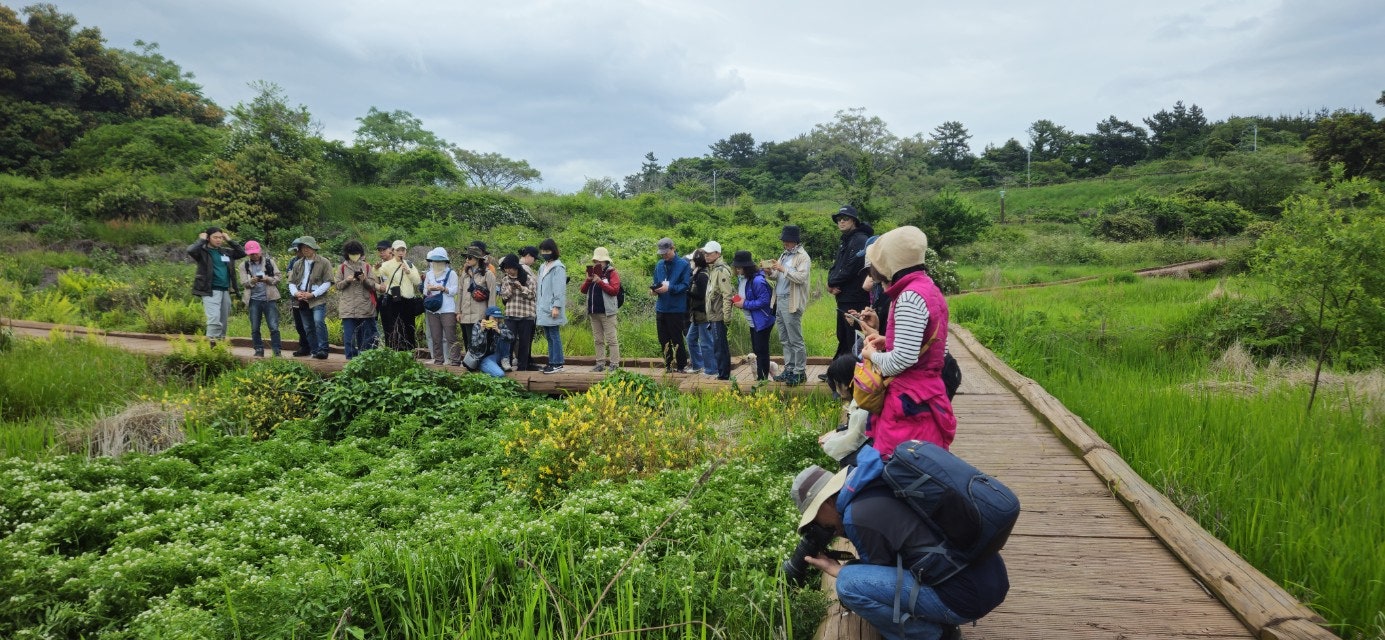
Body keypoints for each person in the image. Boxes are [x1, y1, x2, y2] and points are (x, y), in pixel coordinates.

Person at [791, 457, 1008, 640]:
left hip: (964, 598)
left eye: (815, 519)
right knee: (855, 575)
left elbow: (874, 577)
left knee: (848, 585)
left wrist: (837, 570)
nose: (818, 526)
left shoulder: (856, 515)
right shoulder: (873, 483)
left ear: (827, 502)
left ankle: (932, 635)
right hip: (989, 577)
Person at [860, 226, 956, 458]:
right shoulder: (927, 288)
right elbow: (930, 345)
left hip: (909, 400)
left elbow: (900, 360)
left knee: (899, 463)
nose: (874, 267)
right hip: (925, 394)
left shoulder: (909, 297)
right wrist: (888, 339)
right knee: (922, 462)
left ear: (891, 261)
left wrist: (870, 354)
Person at [827, 205, 875, 362]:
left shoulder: (860, 239)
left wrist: (833, 281)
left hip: (855, 297)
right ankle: (840, 368)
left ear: (854, 220)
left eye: (845, 218)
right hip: (843, 296)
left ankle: (853, 372)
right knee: (843, 334)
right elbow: (837, 265)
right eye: (839, 219)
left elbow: (851, 268)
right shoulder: (846, 240)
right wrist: (830, 282)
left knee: (853, 336)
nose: (841, 222)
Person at [767, 224, 812, 385]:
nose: (784, 243)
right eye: (784, 241)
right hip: (779, 299)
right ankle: (789, 369)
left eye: (787, 241)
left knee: (795, 338)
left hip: (791, 300)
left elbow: (801, 278)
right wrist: (770, 272)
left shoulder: (803, 257)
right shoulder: (784, 255)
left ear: (795, 241)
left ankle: (800, 372)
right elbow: (778, 276)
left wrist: (782, 268)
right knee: (784, 338)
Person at [187, 226, 246, 348]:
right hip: (210, 290)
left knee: (223, 319)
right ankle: (212, 344)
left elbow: (242, 252)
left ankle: (219, 343)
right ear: (208, 238)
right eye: (215, 237)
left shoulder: (225, 252)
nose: (219, 240)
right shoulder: (202, 252)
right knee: (214, 318)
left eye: (220, 237)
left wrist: (229, 240)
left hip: (225, 290)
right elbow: (191, 250)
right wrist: (201, 241)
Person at [287, 236, 333, 360]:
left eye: (308, 247)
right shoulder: (297, 263)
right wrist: (296, 293)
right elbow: (291, 282)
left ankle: (323, 349)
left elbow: (328, 282)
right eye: (303, 247)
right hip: (301, 297)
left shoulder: (324, 262)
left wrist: (313, 294)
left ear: (314, 248)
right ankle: (314, 350)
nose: (305, 250)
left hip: (317, 297)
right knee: (307, 326)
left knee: (318, 321)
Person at [731, 250, 774, 380]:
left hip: (763, 320)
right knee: (757, 349)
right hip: (753, 320)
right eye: (736, 267)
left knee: (761, 351)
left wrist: (744, 304)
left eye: (739, 267)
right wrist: (736, 300)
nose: (737, 270)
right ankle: (761, 378)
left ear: (747, 267)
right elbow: (746, 297)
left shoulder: (757, 281)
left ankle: (762, 379)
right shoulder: (743, 279)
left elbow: (764, 301)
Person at [652, 237, 692, 373]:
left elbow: (685, 285)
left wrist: (669, 288)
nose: (664, 255)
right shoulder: (659, 265)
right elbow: (656, 281)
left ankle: (681, 365)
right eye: (662, 253)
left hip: (676, 308)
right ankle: (668, 365)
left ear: (673, 249)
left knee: (676, 338)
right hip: (661, 307)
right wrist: (654, 290)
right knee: (662, 338)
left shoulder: (683, 265)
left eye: (666, 252)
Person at [236, 240, 282, 357]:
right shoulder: (243, 265)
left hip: (269, 298)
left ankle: (277, 351)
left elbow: (278, 277)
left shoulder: (269, 262)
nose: (254, 255)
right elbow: (244, 283)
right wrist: (253, 280)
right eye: (251, 253)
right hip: (253, 300)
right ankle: (258, 349)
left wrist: (267, 279)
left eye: (256, 253)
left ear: (260, 251)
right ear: (248, 254)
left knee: (274, 326)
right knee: (255, 327)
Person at [579, 246, 622, 372]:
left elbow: (614, 291)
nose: (597, 263)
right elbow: (583, 290)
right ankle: (600, 363)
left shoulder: (612, 273)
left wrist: (600, 282)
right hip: (594, 312)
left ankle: (614, 364)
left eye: (599, 261)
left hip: (607, 312)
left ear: (605, 261)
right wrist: (588, 280)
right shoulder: (593, 274)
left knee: (611, 340)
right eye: (595, 261)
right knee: (598, 340)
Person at [376, 240, 423, 353]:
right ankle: (394, 353)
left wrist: (408, 272)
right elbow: (378, 274)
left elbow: (417, 281)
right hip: (393, 300)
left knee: (408, 328)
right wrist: (376, 268)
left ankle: (409, 354)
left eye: (403, 250)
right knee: (393, 327)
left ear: (406, 251)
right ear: (393, 251)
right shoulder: (387, 264)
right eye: (398, 250)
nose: (401, 252)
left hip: (408, 300)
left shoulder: (409, 264)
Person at [335, 240, 378, 360]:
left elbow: (373, 285)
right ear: (347, 254)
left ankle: (364, 360)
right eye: (352, 253)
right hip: (348, 307)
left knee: (365, 338)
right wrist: (347, 281)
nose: (355, 256)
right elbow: (337, 285)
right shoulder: (342, 267)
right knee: (349, 338)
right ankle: (350, 360)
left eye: (357, 253)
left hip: (365, 307)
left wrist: (364, 280)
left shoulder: (367, 266)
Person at [702, 241, 735, 380]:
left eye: (709, 253)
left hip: (719, 314)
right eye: (706, 253)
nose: (706, 255)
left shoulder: (721, 270)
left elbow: (727, 295)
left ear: (717, 254)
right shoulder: (713, 269)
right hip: (714, 314)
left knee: (720, 347)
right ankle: (723, 374)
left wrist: (726, 317)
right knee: (718, 346)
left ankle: (724, 375)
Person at [498, 253, 537, 373]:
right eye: (506, 268)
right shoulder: (505, 279)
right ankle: (507, 365)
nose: (508, 270)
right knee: (509, 340)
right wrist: (510, 289)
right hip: (511, 314)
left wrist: (521, 288)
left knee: (524, 343)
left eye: (510, 268)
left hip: (526, 315)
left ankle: (522, 368)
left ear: (516, 267)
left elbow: (532, 295)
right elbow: (504, 297)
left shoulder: (528, 278)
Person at [422, 247, 460, 366]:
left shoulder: (451, 273)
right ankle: (438, 360)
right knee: (436, 336)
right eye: (435, 261)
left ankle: (455, 360)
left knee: (450, 336)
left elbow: (455, 290)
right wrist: (429, 289)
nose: (437, 263)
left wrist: (444, 289)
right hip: (432, 309)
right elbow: (424, 291)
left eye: (439, 261)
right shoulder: (429, 274)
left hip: (447, 309)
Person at [535, 238, 568, 374]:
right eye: (542, 251)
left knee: (554, 334)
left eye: (547, 250)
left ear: (553, 251)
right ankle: (552, 361)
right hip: (543, 306)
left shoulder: (558, 267)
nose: (544, 253)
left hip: (552, 307)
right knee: (548, 335)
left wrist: (556, 306)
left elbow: (559, 289)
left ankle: (557, 363)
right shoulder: (543, 266)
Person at [457, 245, 497, 349]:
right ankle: (470, 364)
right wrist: (458, 311)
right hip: (465, 313)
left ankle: (479, 364)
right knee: (468, 342)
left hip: (480, 315)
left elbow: (492, 296)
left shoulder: (488, 274)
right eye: (466, 257)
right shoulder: (464, 274)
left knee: (479, 342)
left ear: (478, 259)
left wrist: (491, 315)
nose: (467, 260)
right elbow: (460, 293)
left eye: (470, 257)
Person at [466, 306, 513, 378]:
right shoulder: (478, 325)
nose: (496, 320)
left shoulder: (500, 325)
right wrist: (482, 331)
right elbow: (474, 345)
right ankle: (489, 367)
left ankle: (504, 361)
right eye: (494, 318)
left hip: (496, 355)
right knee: (500, 374)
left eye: (498, 318)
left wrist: (499, 331)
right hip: (482, 358)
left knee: (505, 335)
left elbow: (512, 337)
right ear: (487, 317)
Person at [686, 248, 710, 375]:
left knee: (706, 342)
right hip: (696, 315)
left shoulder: (702, 275)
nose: (691, 262)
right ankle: (698, 365)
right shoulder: (697, 273)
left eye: (692, 260)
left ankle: (711, 369)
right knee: (690, 339)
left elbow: (701, 295)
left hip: (703, 314)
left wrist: (687, 292)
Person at [285, 240, 311, 355]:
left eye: (297, 251)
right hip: (296, 296)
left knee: (309, 324)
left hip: (309, 296)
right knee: (299, 324)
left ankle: (311, 346)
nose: (296, 253)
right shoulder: (293, 261)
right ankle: (304, 346)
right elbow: (289, 277)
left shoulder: (311, 262)